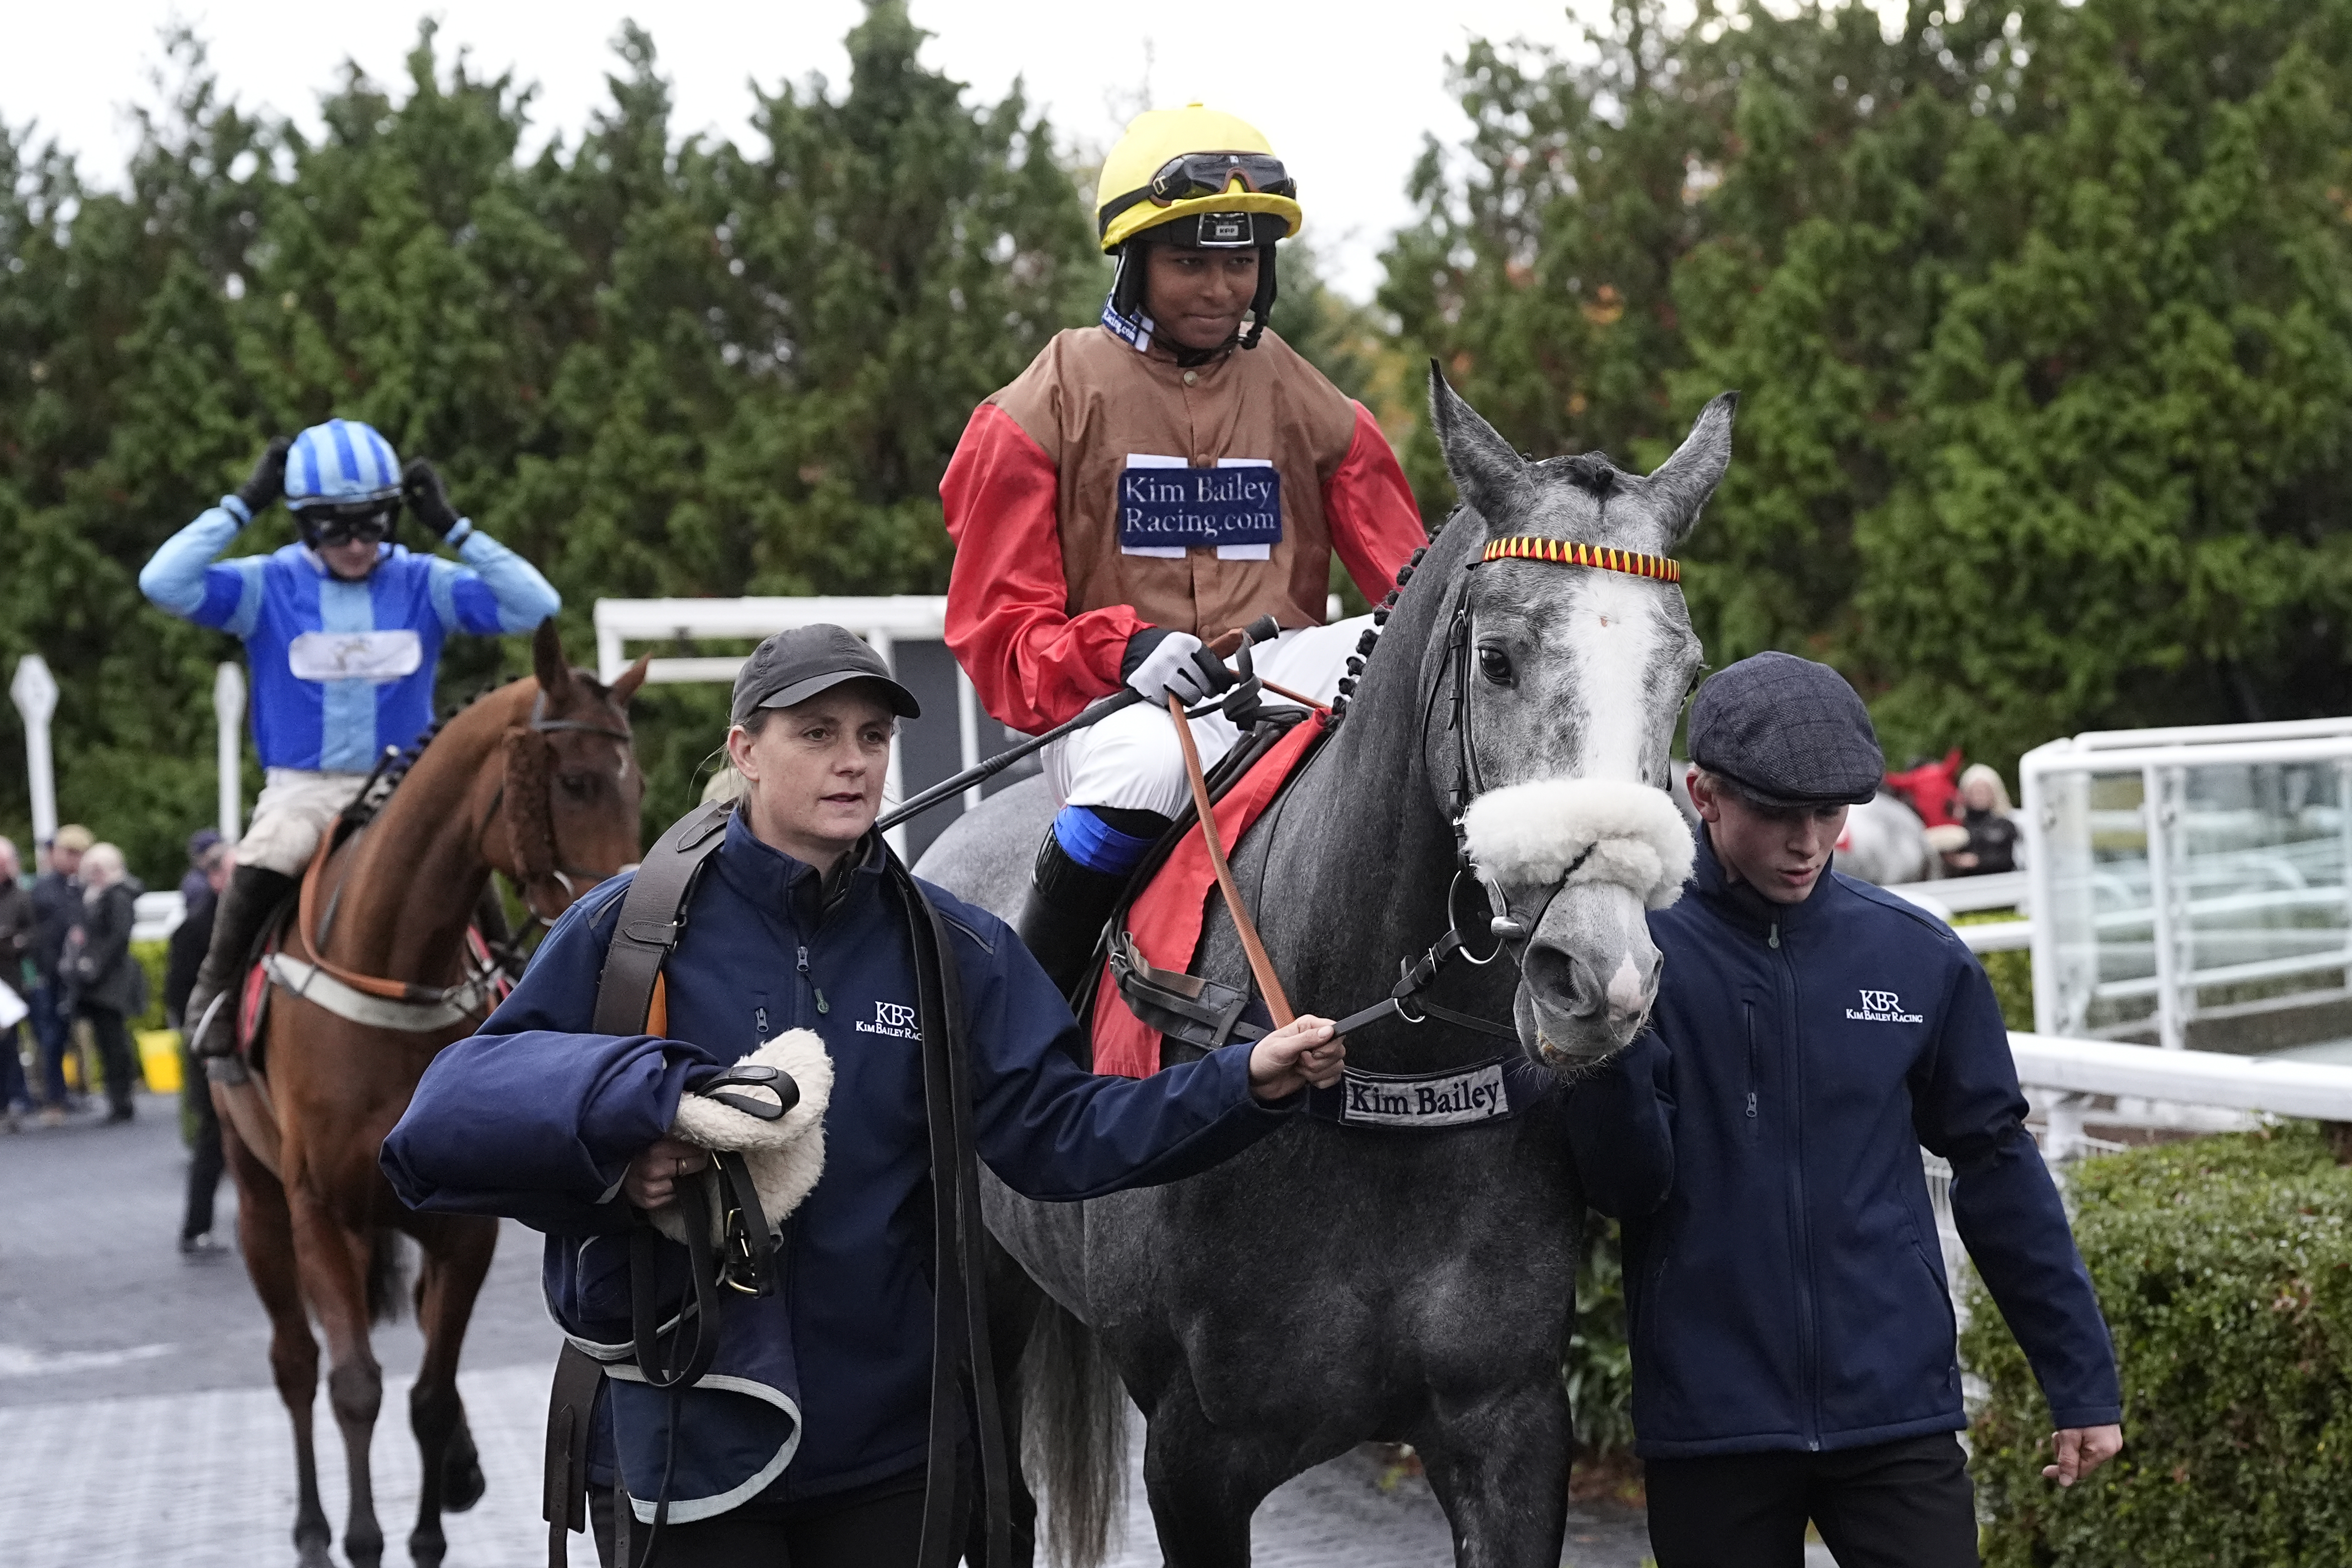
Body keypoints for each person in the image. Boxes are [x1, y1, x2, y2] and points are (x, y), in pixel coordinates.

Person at [381, 626, 1346, 1565]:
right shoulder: (630, 927)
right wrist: (635, 1124)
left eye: (872, 737)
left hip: (897, 1456)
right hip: (686, 1445)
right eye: (818, 733)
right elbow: (439, 1126)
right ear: (745, 752)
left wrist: (1243, 1083)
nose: (854, 762)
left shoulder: (954, 947)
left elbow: (1061, 1135)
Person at [1565, 652, 2122, 1568]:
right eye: (1780, 812)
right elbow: (1626, 1185)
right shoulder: (1640, 952)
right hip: (1716, 1420)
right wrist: (1607, 1049)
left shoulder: (1918, 957)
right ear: (1702, 793)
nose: (1809, 840)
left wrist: (2082, 1381)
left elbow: (1999, 1170)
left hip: (1896, 1411)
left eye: (1831, 812)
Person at [940, 104, 1426, 991]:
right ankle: (1035, 1012)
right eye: (1189, 262)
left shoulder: (1310, 401)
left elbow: (1412, 587)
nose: (1218, 289)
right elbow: (1000, 638)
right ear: (1133, 263)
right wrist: (1122, 650)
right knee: (1153, 760)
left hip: (1284, 688)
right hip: (1113, 713)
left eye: (1239, 262)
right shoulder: (1033, 410)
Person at [139, 421, 562, 1066]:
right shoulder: (264, 586)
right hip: (306, 790)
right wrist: (242, 504)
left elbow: (539, 607)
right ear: (303, 523)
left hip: (407, 782)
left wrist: (454, 527)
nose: (359, 543)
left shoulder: (424, 581)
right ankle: (216, 991)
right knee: (272, 848)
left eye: (373, 523)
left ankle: (512, 987)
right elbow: (161, 583)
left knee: (464, 852)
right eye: (337, 527)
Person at [166, 842, 232, 1254]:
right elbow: (177, 995)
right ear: (214, 878)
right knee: (214, 1135)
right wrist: (200, 1044)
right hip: (209, 1047)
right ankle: (196, 1227)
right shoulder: (194, 928)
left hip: (227, 1043)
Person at [64, 843, 146, 1124]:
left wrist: (95, 964)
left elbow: (118, 937)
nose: (95, 874)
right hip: (97, 980)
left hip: (111, 979)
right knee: (106, 1041)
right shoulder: (94, 895)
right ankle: (117, 1098)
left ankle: (122, 1100)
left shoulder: (117, 896)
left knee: (115, 1043)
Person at [27, 824, 90, 1124]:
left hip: (69, 975)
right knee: (50, 1036)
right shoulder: (43, 890)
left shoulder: (78, 888)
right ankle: (53, 1095)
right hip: (48, 975)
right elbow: (37, 935)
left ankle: (66, 1092)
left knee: (65, 1034)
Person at [0, 838, 34, 1132]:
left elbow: (33, 935)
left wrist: (13, 941)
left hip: (10, 981)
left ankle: (16, 1100)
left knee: (10, 1043)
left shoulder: (21, 897)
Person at [1942, 762, 2021, 876]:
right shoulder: (1957, 826)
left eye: (1984, 790)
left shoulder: (2005, 825)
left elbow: (2009, 859)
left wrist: (1979, 862)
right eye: (1974, 790)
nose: (1979, 795)